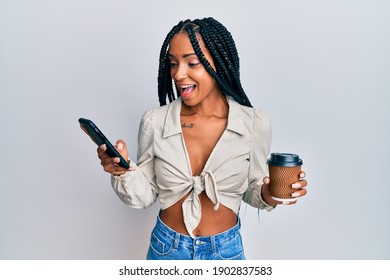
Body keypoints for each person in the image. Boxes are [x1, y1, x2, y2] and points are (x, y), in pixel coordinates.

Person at [97, 17, 308, 260]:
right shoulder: (155, 121)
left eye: (192, 62)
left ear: (220, 62)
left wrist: (271, 191)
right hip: (166, 249)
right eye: (173, 64)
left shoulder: (253, 123)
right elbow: (144, 196)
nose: (178, 74)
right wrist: (122, 171)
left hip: (225, 251)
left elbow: (253, 190)